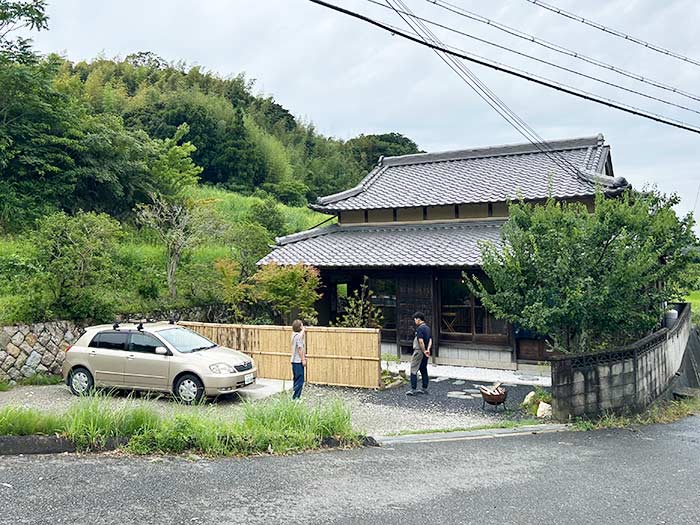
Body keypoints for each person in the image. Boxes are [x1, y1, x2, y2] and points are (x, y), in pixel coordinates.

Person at [406, 312, 432, 396]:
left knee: (413, 368)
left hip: (419, 351)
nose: (414, 321)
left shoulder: (420, 329)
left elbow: (420, 341)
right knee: (423, 368)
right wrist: (428, 350)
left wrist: (424, 350)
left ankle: (413, 389)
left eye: (415, 319)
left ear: (418, 319)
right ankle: (424, 388)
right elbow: (430, 340)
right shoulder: (427, 328)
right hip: (426, 351)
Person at [290, 319, 307, 400]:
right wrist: (303, 360)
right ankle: (296, 397)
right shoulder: (299, 337)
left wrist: (303, 330)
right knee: (300, 380)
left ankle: (295, 396)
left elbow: (300, 335)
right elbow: (300, 349)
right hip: (298, 361)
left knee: (296, 378)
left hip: (293, 361)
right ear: (300, 327)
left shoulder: (293, 335)